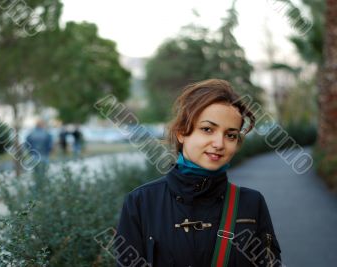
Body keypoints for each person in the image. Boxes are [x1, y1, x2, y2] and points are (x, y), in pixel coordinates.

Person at [115, 79, 282, 267]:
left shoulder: (252, 203)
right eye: (207, 129)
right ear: (181, 132)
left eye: (230, 135)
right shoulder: (141, 202)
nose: (219, 143)